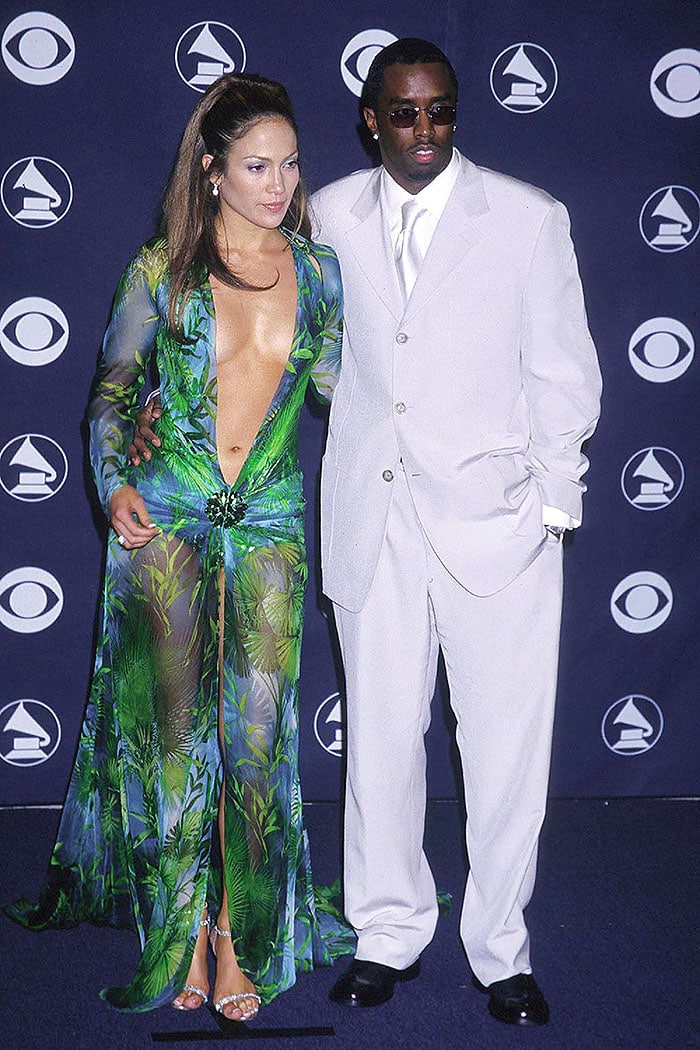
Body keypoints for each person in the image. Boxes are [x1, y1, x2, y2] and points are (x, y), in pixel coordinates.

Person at [4, 73, 353, 1019]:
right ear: (211, 170)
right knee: (172, 739)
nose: (277, 184)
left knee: (254, 741)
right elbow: (114, 388)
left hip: (272, 522)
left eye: (288, 165)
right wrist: (113, 477)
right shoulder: (160, 269)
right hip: (165, 518)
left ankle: (239, 936)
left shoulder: (320, 272)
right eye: (254, 165)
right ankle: (183, 929)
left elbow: (347, 393)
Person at [309, 39, 602, 1025]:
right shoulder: (328, 216)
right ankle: (386, 932)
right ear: (370, 119)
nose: (423, 130)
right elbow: (319, 357)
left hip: (499, 525)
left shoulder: (527, 219)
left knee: (505, 753)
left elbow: (562, 369)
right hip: (372, 520)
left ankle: (499, 949)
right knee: (381, 744)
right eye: (403, 113)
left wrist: (552, 502)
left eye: (439, 112)